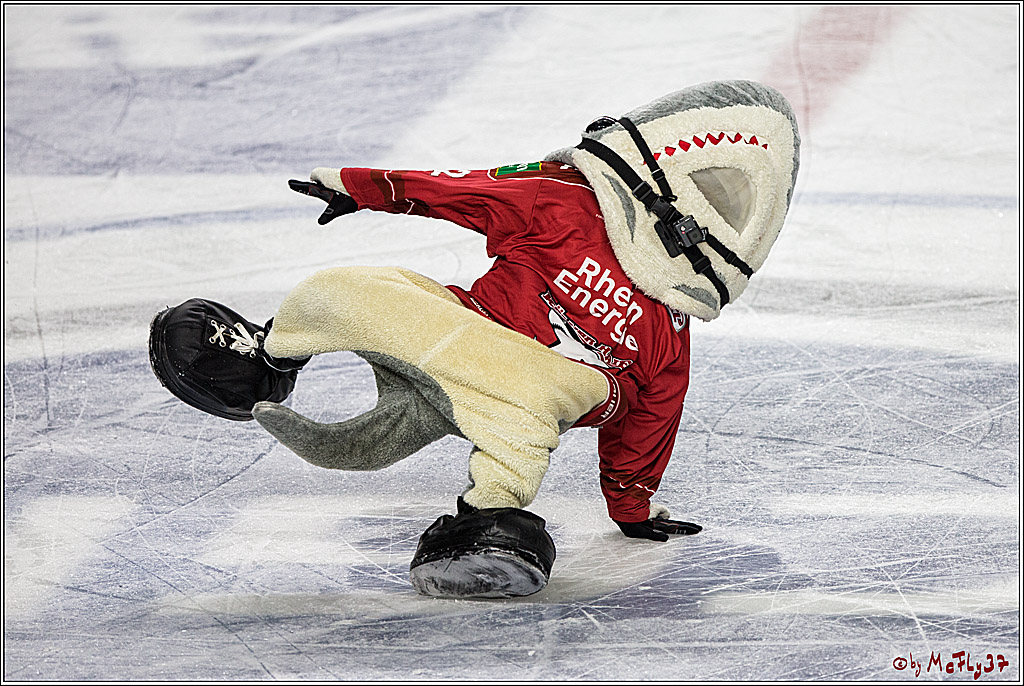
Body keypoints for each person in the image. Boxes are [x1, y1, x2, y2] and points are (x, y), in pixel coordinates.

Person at [149, 80, 800, 599]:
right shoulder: (566, 198)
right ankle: (266, 365)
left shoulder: (664, 313)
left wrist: (632, 505)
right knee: (347, 292)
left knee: (517, 421)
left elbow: (656, 412)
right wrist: (365, 188)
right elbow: (470, 191)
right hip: (461, 330)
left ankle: (488, 526)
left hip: (534, 384)